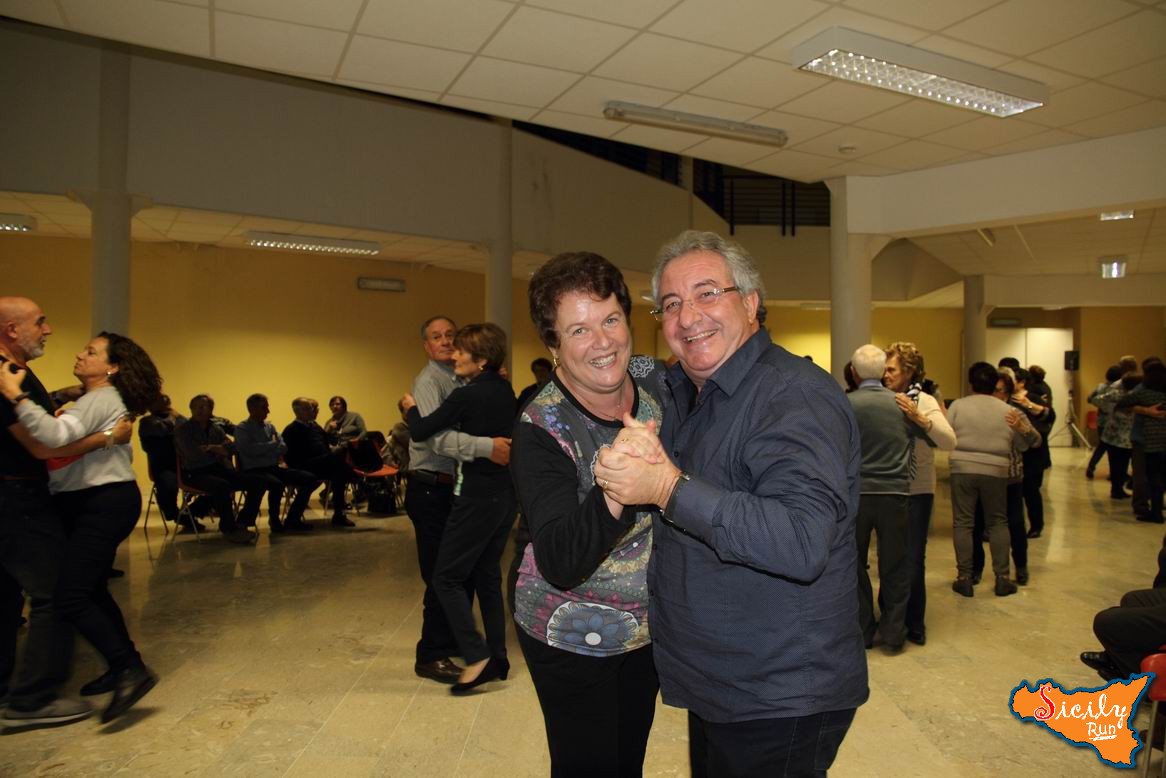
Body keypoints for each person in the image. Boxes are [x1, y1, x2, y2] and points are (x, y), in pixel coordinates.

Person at [594, 230, 867, 777]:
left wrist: (668, 488)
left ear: (750, 302)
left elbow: (801, 539)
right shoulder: (693, 394)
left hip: (779, 695)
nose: (688, 316)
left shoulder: (792, 395)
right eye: (672, 304)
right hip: (724, 684)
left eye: (707, 293)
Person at [510, 252, 666, 775]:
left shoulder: (655, 384)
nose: (602, 342)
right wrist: (615, 487)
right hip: (568, 628)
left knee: (627, 760)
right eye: (579, 330)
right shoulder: (540, 427)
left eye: (611, 319)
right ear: (553, 345)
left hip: (645, 626)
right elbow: (559, 559)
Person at [1, 331, 163, 723]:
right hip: (89, 500)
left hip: (102, 502)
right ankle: (122, 665)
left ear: (112, 367)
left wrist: (17, 396)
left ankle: (130, 669)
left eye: (91, 352)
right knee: (91, 589)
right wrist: (65, 399)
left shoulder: (101, 398)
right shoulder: (93, 398)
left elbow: (52, 437)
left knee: (70, 595)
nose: (80, 354)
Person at [400, 323, 516, 694]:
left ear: (480, 359)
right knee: (479, 574)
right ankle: (489, 656)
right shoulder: (438, 383)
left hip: (473, 494)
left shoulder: (465, 389)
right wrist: (487, 446)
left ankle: (476, 655)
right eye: (438, 338)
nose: (450, 347)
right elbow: (437, 441)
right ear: (425, 345)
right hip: (452, 489)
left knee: (447, 577)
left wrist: (409, 411)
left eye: (455, 340)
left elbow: (425, 431)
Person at [847, 344, 927, 653]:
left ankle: (863, 629)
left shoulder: (845, 405)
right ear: (883, 371)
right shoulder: (902, 405)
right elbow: (929, 437)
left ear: (854, 372)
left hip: (857, 495)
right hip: (895, 493)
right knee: (895, 565)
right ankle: (894, 632)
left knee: (855, 564)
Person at [883, 342, 955, 646]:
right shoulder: (882, 398)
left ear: (909, 371)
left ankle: (914, 622)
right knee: (890, 558)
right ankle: (891, 618)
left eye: (892, 369)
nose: (886, 375)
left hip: (917, 489)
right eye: (885, 369)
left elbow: (949, 441)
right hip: (888, 486)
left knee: (913, 558)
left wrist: (919, 418)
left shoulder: (924, 400)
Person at [947, 363, 1034, 597]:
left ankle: (964, 578)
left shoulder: (958, 406)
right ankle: (1002, 578)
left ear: (970, 383)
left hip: (962, 468)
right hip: (997, 470)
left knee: (964, 523)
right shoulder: (1007, 410)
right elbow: (1025, 444)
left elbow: (945, 436)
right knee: (998, 522)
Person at [971, 368, 1041, 586]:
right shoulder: (978, 412)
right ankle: (975, 569)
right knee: (977, 525)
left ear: (1008, 393)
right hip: (982, 475)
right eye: (993, 390)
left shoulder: (1014, 412)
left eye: (1000, 391)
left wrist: (1021, 427)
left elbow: (1036, 441)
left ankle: (1020, 566)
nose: (995, 395)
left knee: (1015, 525)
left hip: (1010, 479)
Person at [174, 394, 259, 544]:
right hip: (194, 472)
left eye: (204, 407)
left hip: (216, 469)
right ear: (191, 409)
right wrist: (217, 450)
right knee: (222, 486)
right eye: (196, 407)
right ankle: (229, 528)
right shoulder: (183, 429)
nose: (200, 410)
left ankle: (243, 522)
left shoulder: (216, 428)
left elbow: (232, 448)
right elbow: (192, 454)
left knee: (256, 482)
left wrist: (211, 448)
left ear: (211, 410)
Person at [234, 393, 318, 532]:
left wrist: (265, 448)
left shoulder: (270, 427)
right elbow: (249, 450)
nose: (268, 411)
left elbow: (283, 448)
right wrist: (272, 446)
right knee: (276, 484)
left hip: (273, 467)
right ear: (252, 409)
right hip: (253, 470)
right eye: (264, 408)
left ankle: (293, 519)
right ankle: (274, 519)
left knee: (310, 479)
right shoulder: (242, 428)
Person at [281, 397, 356, 528]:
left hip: (321, 464)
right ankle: (357, 479)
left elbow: (330, 442)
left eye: (311, 408)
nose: (313, 411)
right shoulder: (291, 430)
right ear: (299, 411)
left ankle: (339, 515)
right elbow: (291, 457)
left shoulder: (315, 426)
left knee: (338, 470)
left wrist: (332, 431)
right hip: (303, 466)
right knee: (335, 463)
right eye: (308, 409)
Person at [137, 393, 201, 532]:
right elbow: (164, 432)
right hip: (164, 465)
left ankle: (190, 512)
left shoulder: (177, 418)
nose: (165, 404)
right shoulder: (147, 422)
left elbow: (189, 429)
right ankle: (177, 515)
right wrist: (174, 419)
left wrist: (176, 416)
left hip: (185, 464)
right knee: (169, 486)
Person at [1117, 362, 1166, 523]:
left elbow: (1122, 403)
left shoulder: (1143, 392)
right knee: (1159, 476)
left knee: (1143, 475)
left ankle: (1143, 506)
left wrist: (1143, 410)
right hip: (1162, 441)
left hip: (1145, 439)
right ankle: (1157, 507)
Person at [1014, 365, 1054, 538]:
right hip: (1015, 453)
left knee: (1031, 491)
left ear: (1022, 382)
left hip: (1033, 453)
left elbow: (1048, 419)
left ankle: (1036, 525)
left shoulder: (1034, 398)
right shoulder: (1006, 400)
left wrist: (1029, 406)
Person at [1086, 365, 1124, 480]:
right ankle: (1114, 473)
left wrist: (1100, 405)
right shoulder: (1118, 389)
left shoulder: (1100, 386)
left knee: (1102, 446)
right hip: (1115, 421)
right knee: (1113, 449)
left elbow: (1089, 398)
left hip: (1101, 420)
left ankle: (1091, 466)